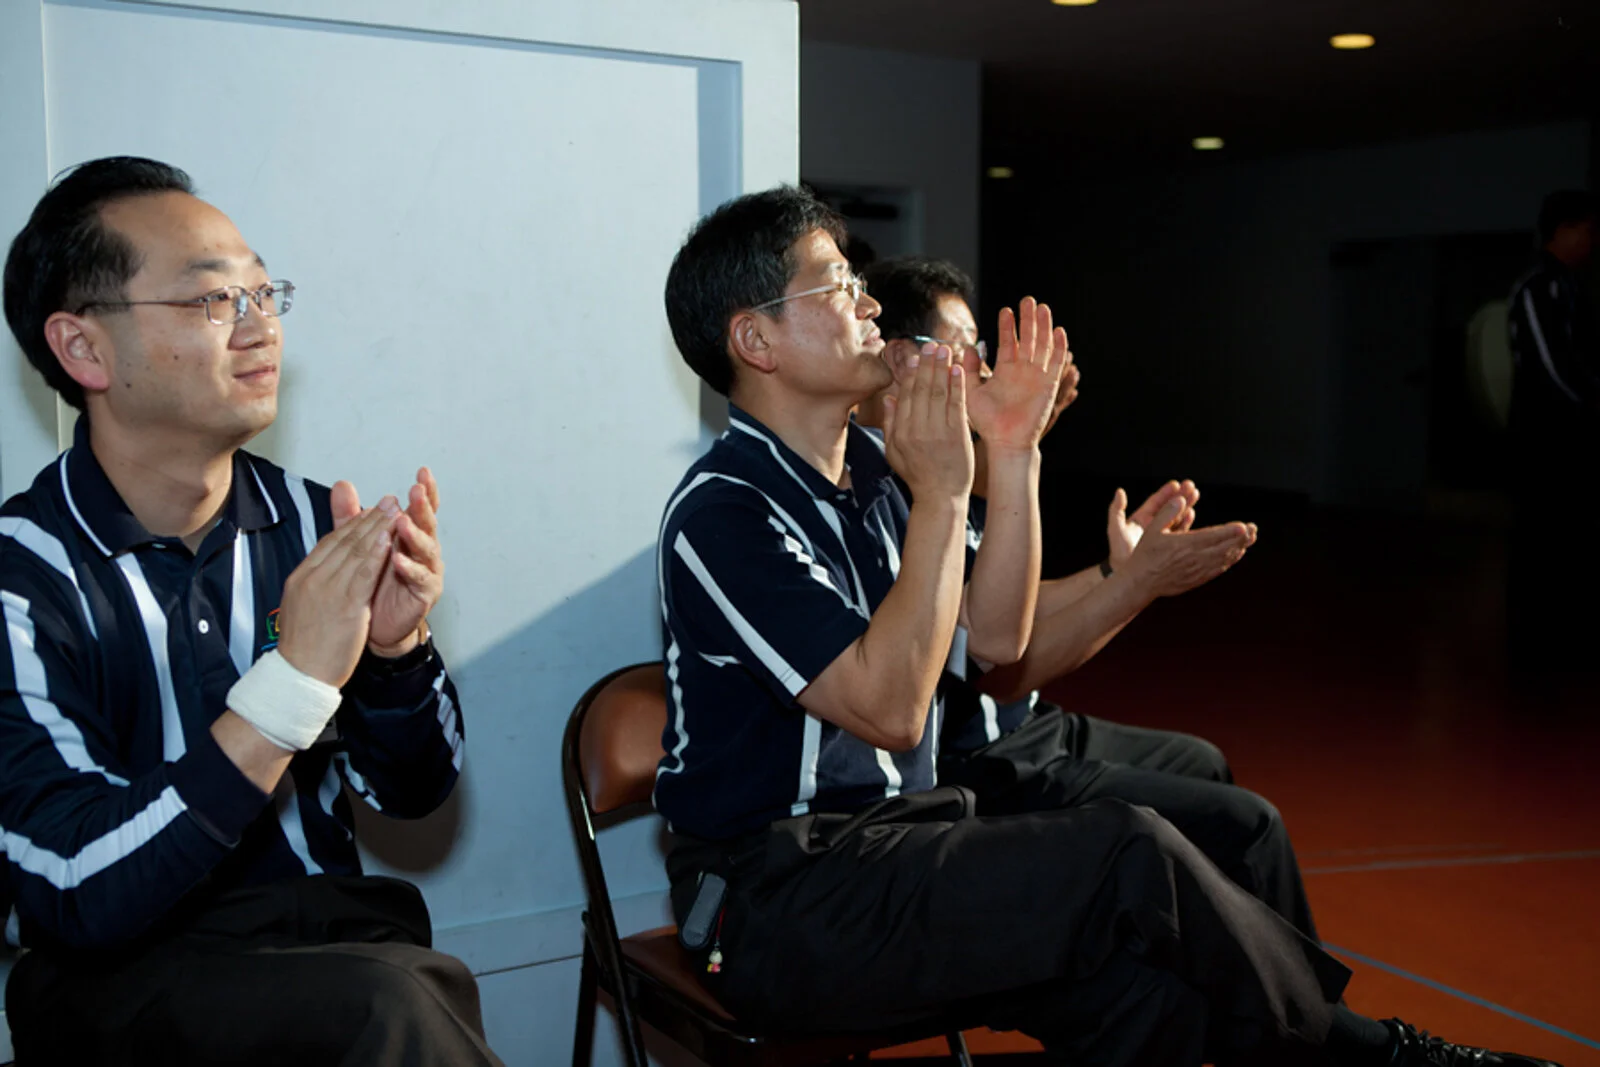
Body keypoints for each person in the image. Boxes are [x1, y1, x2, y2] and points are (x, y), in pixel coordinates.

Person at [653, 185, 1559, 1067]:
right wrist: (941, 495)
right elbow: (891, 710)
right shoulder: (725, 513)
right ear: (755, 338)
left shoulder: (877, 480)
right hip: (782, 904)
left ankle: (1339, 1046)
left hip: (898, 848)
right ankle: (1376, 1052)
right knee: (1126, 845)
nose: (865, 299)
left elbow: (998, 644)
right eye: (835, 284)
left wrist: (1010, 452)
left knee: (1151, 997)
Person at [0, 157, 500, 1065]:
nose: (260, 325)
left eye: (265, 292)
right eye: (211, 301)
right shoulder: (21, 577)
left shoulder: (317, 524)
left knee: (401, 988)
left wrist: (397, 651)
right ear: (82, 349)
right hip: (121, 972)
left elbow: (415, 794)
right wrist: (293, 684)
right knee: (392, 1005)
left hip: (321, 933)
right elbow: (68, 884)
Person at [860, 255, 1313, 936]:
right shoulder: (908, 487)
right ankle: (1299, 1022)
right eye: (966, 351)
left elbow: (1005, 607)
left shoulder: (947, 466)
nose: (983, 368)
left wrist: (1113, 570)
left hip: (1028, 731)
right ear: (901, 359)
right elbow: (1005, 663)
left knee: (1205, 763)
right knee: (1252, 827)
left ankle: (1233, 980)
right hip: (982, 761)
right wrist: (1135, 584)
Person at [1506, 190, 1599, 686]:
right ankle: (1534, 650)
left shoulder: (1569, 286)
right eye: (1587, 229)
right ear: (1563, 229)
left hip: (1570, 439)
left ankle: (1561, 641)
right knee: (1542, 539)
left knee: (1568, 540)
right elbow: (1550, 369)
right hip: (1547, 441)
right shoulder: (1538, 287)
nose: (1592, 241)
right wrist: (1590, 406)